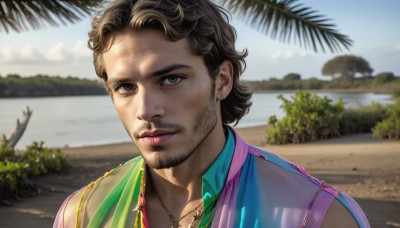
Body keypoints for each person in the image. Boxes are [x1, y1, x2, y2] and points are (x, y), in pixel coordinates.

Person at [54, 0, 370, 227]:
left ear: (222, 80)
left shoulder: (317, 215)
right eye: (125, 87)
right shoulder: (82, 215)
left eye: (171, 79)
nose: (146, 110)